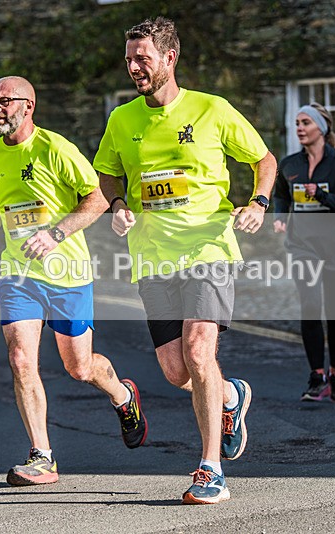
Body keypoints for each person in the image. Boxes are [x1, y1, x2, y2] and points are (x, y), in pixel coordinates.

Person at [93, 18, 277, 505]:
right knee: (178, 372)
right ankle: (232, 395)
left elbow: (264, 160)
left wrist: (258, 202)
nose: (134, 66)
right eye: (129, 58)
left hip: (208, 250)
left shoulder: (212, 110)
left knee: (199, 353)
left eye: (143, 58)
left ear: (169, 58)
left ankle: (210, 468)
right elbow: (106, 175)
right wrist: (117, 206)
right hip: (152, 258)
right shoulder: (121, 119)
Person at [0, 76, 148, 486]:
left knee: (79, 368)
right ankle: (42, 455)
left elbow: (98, 197)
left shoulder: (55, 148)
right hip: (19, 273)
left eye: (5, 101)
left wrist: (57, 233)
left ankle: (122, 394)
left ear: (28, 106)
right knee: (21, 359)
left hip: (68, 273)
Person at [273, 102, 335, 403]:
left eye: (305, 123)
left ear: (321, 128)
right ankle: (317, 376)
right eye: (297, 123)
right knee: (310, 305)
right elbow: (282, 195)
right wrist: (280, 216)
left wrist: (322, 196)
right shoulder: (289, 165)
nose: (299, 128)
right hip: (303, 247)